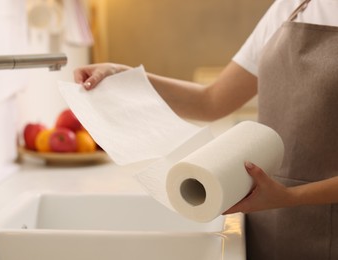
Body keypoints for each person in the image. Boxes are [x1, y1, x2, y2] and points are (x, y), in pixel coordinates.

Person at [73, 0, 338, 259]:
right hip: (267, 221)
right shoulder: (291, 7)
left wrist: (290, 196)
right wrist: (123, 76)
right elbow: (210, 101)